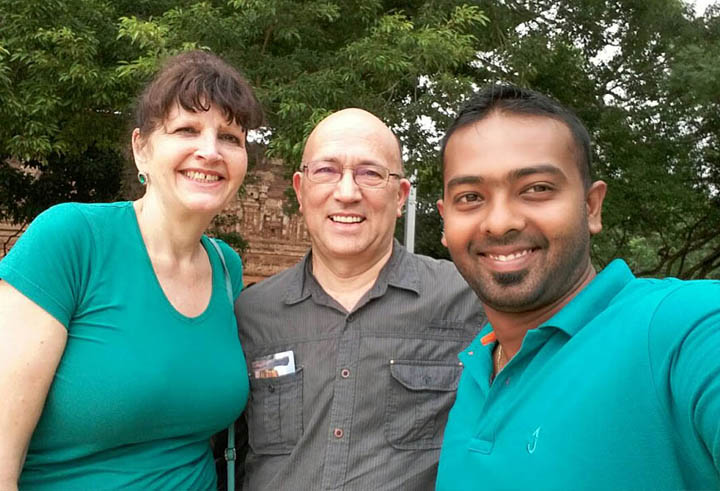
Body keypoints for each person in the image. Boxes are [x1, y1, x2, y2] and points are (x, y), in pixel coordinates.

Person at [0, 50, 264, 490]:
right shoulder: (73, 239)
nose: (210, 151)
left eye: (230, 137)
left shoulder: (225, 267)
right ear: (141, 149)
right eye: (187, 130)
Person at [435, 84, 720, 489]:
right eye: (470, 197)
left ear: (591, 207)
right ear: (445, 222)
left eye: (536, 189)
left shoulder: (678, 330)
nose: (499, 223)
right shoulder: (478, 365)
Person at [235, 108, 485, 490]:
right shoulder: (251, 314)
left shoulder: (469, 301)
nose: (348, 193)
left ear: (400, 196)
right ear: (300, 190)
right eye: (327, 171)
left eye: (370, 173)